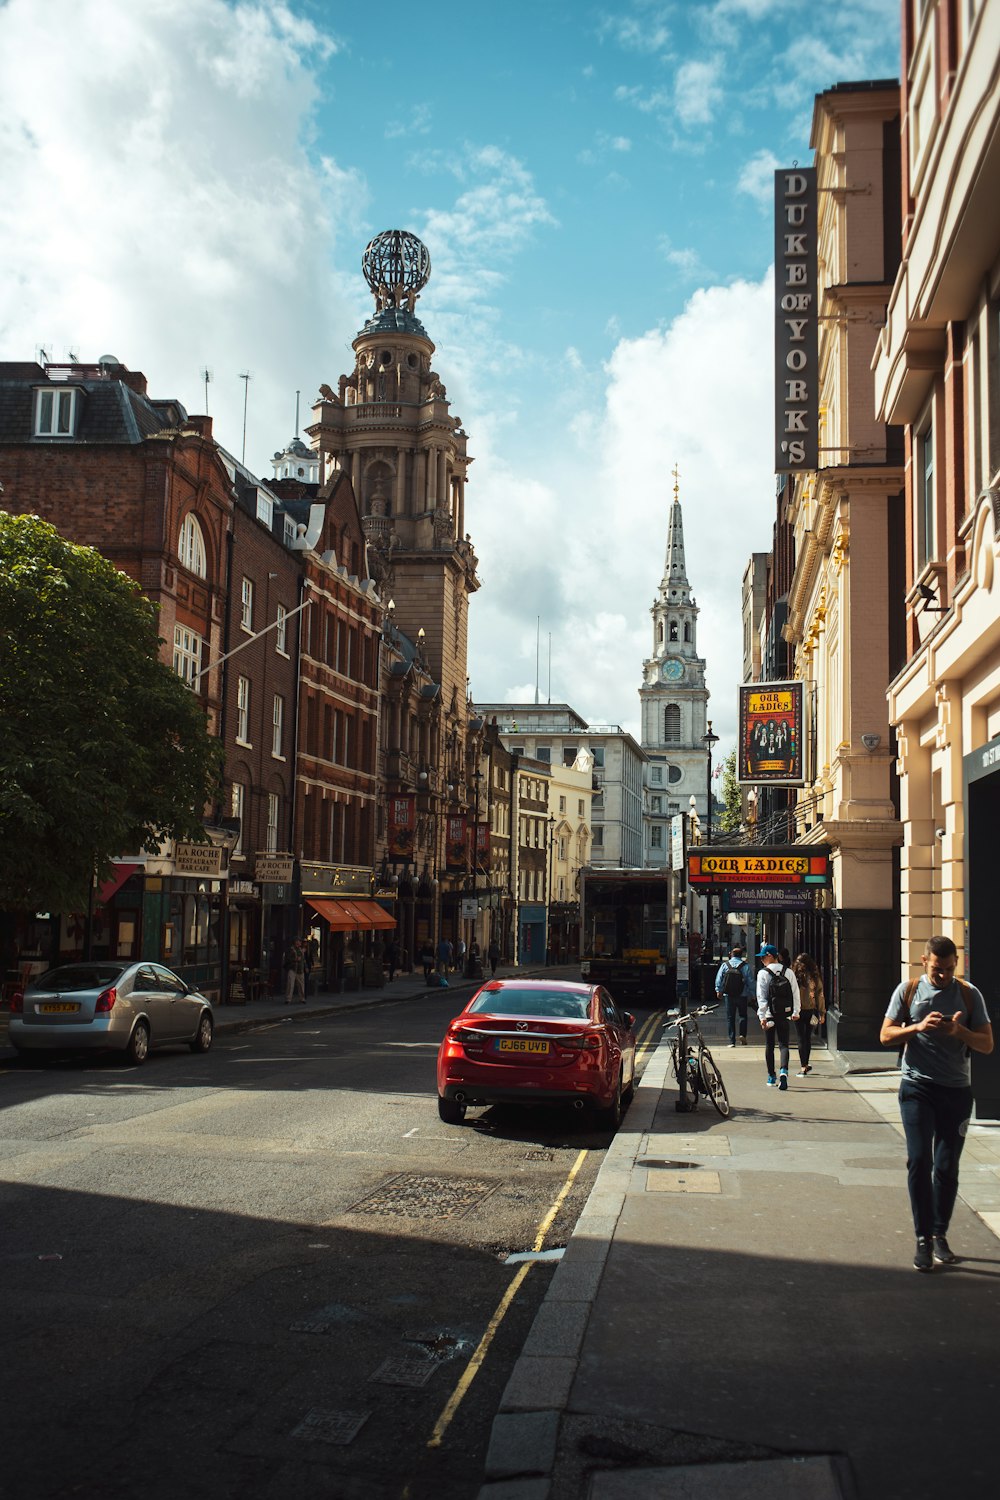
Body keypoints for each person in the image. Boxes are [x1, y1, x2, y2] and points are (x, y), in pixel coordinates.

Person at [879, 934, 993, 1272]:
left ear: (955, 963)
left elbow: (987, 1045)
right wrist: (917, 1027)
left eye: (947, 969)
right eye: (936, 969)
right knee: (918, 1160)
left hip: (956, 1091)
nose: (942, 975)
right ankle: (923, 1238)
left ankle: (940, 1232)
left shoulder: (971, 996)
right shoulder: (908, 990)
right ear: (924, 961)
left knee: (946, 1166)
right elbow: (885, 1035)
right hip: (917, 1088)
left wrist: (959, 1033)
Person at [756, 942, 800, 1090]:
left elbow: (761, 997)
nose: (761, 960)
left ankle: (771, 1075)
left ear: (770, 956)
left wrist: (762, 1016)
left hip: (769, 1014)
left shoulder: (763, 973)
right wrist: (796, 1012)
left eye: (763, 957)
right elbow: (795, 993)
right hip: (784, 1014)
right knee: (784, 1045)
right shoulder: (788, 972)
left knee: (769, 1045)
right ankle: (784, 1072)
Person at [791, 952, 826, 1076]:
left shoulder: (794, 977)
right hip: (812, 1012)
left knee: (800, 1038)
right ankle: (805, 1064)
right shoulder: (814, 977)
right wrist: (822, 1013)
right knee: (807, 1037)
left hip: (797, 1011)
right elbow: (820, 995)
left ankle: (803, 1066)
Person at [715, 945, 752, 1047]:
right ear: (741, 955)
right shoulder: (745, 966)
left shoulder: (725, 965)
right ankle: (742, 1035)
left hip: (729, 995)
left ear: (731, 954)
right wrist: (752, 994)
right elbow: (750, 981)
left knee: (730, 1018)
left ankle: (732, 1041)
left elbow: (719, 978)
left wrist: (719, 990)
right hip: (742, 995)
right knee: (743, 1016)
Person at [284, 937, 306, 1005]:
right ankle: (288, 999)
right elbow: (287, 958)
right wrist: (295, 959)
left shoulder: (301, 950)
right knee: (290, 984)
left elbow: (303, 960)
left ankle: (302, 998)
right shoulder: (291, 949)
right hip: (293, 968)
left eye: (299, 941)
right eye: (297, 941)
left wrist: (306, 967)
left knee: (301, 985)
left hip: (300, 969)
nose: (298, 943)